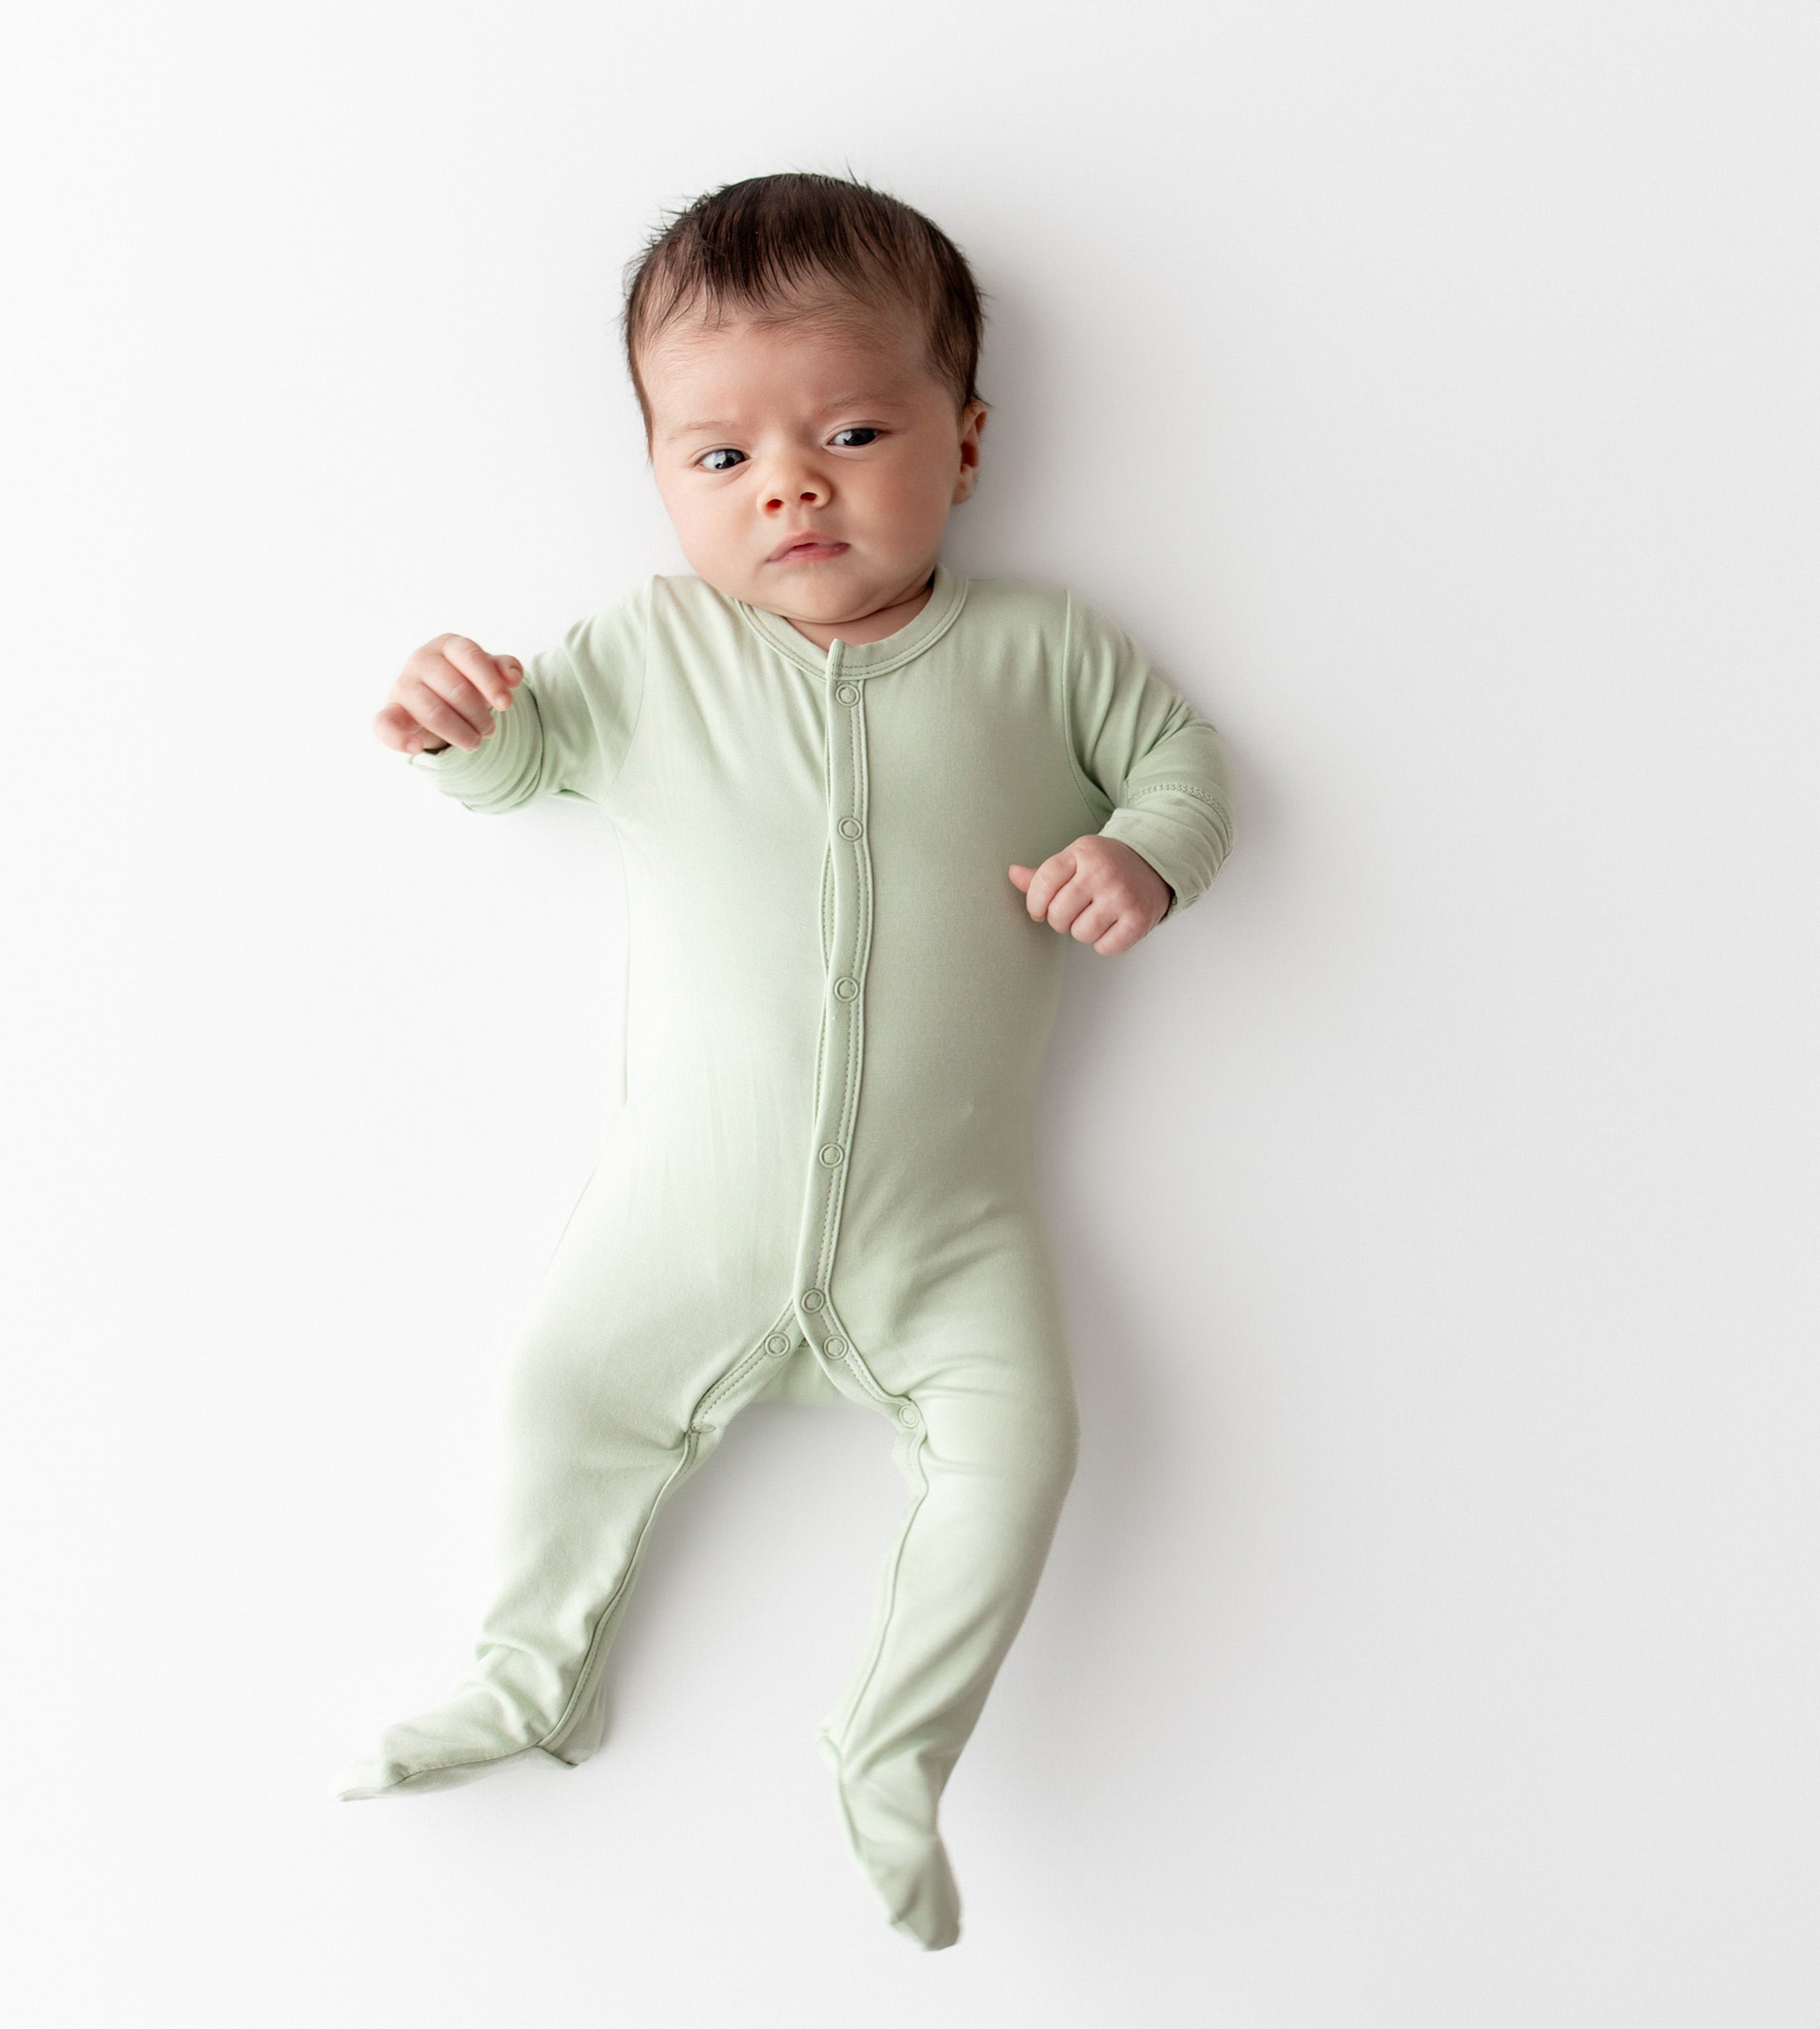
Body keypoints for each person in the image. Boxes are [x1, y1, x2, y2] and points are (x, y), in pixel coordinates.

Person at [340, 170, 1236, 1951]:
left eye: (851, 432)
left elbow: (1185, 766)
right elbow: (525, 767)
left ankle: (893, 1749)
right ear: (660, 476)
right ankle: (529, 1676)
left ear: (963, 442)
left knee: (1021, 1453)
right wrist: (458, 729)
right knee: (562, 1392)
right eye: (721, 455)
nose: (792, 486)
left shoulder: (1046, 650)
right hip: (682, 1215)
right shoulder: (650, 652)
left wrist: (1143, 856)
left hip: (949, 1229)